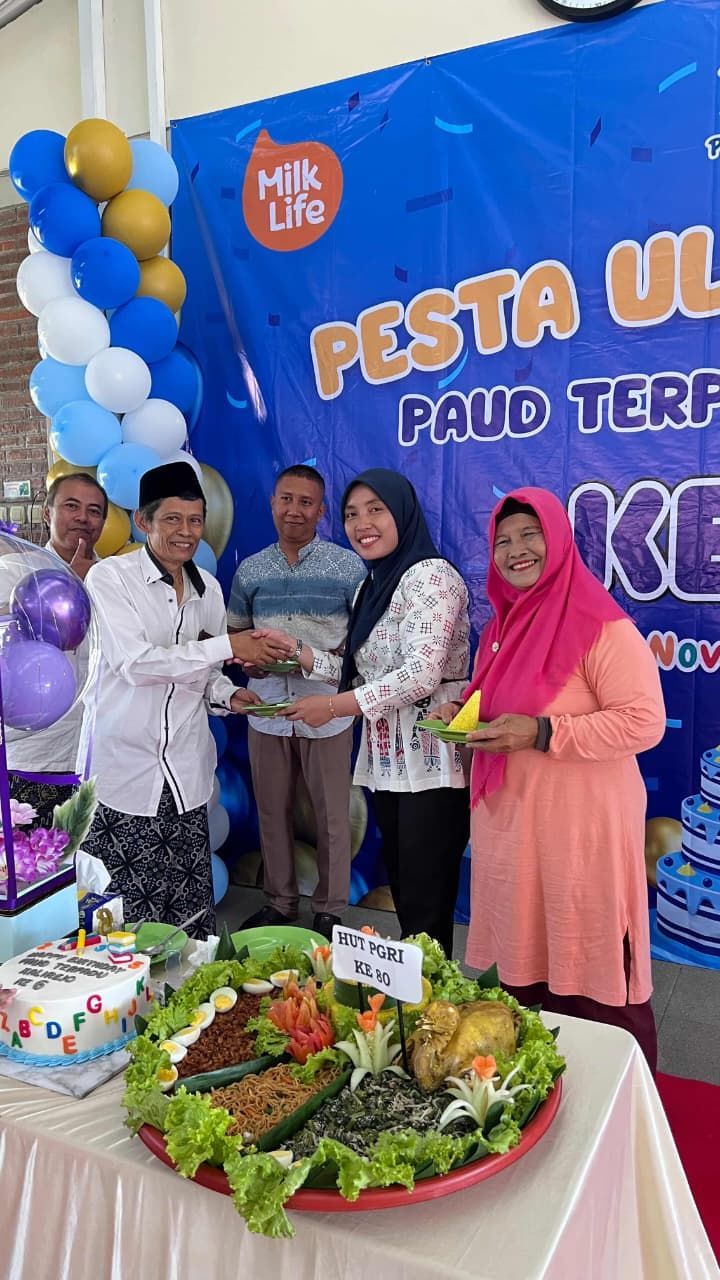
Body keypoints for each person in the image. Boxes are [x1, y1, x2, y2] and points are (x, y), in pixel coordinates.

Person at [435, 487, 665, 1071]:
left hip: (581, 832)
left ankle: (624, 1106)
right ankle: (537, 1093)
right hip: (513, 826)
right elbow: (489, 701)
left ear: (559, 541)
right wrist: (459, 714)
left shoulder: (600, 625)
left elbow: (644, 722)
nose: (515, 550)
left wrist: (541, 734)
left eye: (529, 535)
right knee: (525, 959)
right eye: (502, 540)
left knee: (587, 960)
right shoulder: (500, 628)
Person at [82, 460, 283, 938]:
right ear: (143, 521)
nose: (186, 532)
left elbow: (201, 673)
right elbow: (136, 663)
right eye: (172, 519)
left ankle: (190, 1007)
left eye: (195, 520)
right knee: (120, 926)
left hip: (186, 778)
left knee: (188, 923)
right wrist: (231, 646)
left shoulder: (207, 587)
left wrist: (230, 695)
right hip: (126, 779)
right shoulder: (111, 580)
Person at [284, 468, 470, 958]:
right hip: (389, 765)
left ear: (402, 514)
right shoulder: (371, 588)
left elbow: (421, 675)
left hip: (434, 765)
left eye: (375, 510)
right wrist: (300, 653)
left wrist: (332, 707)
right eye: (350, 514)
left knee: (428, 902)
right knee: (408, 893)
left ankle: (434, 1012)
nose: (361, 523)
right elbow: (363, 676)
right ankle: (419, 1005)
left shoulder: (432, 577)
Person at [227, 464, 365, 939]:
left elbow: (363, 645)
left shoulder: (347, 567)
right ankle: (280, 902)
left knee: (332, 815)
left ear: (322, 511)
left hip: (326, 708)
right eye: (286, 499)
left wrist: (318, 658)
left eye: (306, 502)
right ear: (272, 503)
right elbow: (235, 634)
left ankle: (330, 910)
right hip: (266, 710)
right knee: (271, 810)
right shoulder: (251, 570)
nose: (295, 510)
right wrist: (251, 661)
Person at [6, 473, 108, 827]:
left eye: (94, 511)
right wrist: (69, 583)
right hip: (34, 754)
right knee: (33, 870)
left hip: (97, 752)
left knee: (90, 875)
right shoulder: (15, 572)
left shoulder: (113, 578)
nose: (83, 517)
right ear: (48, 513)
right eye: (71, 506)